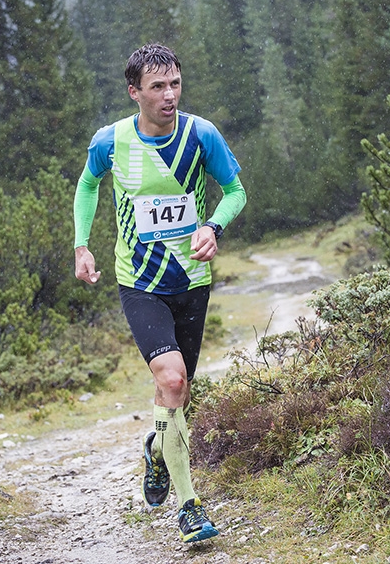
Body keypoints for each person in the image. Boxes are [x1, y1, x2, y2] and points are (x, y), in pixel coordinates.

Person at [73, 43, 247, 543]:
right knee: (171, 381)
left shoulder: (201, 135)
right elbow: (88, 187)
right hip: (140, 282)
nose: (169, 95)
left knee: (177, 393)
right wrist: (82, 246)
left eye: (175, 84)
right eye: (157, 87)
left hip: (191, 281)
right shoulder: (110, 142)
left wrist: (213, 225)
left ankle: (156, 449)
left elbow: (235, 191)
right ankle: (190, 506)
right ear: (135, 93)